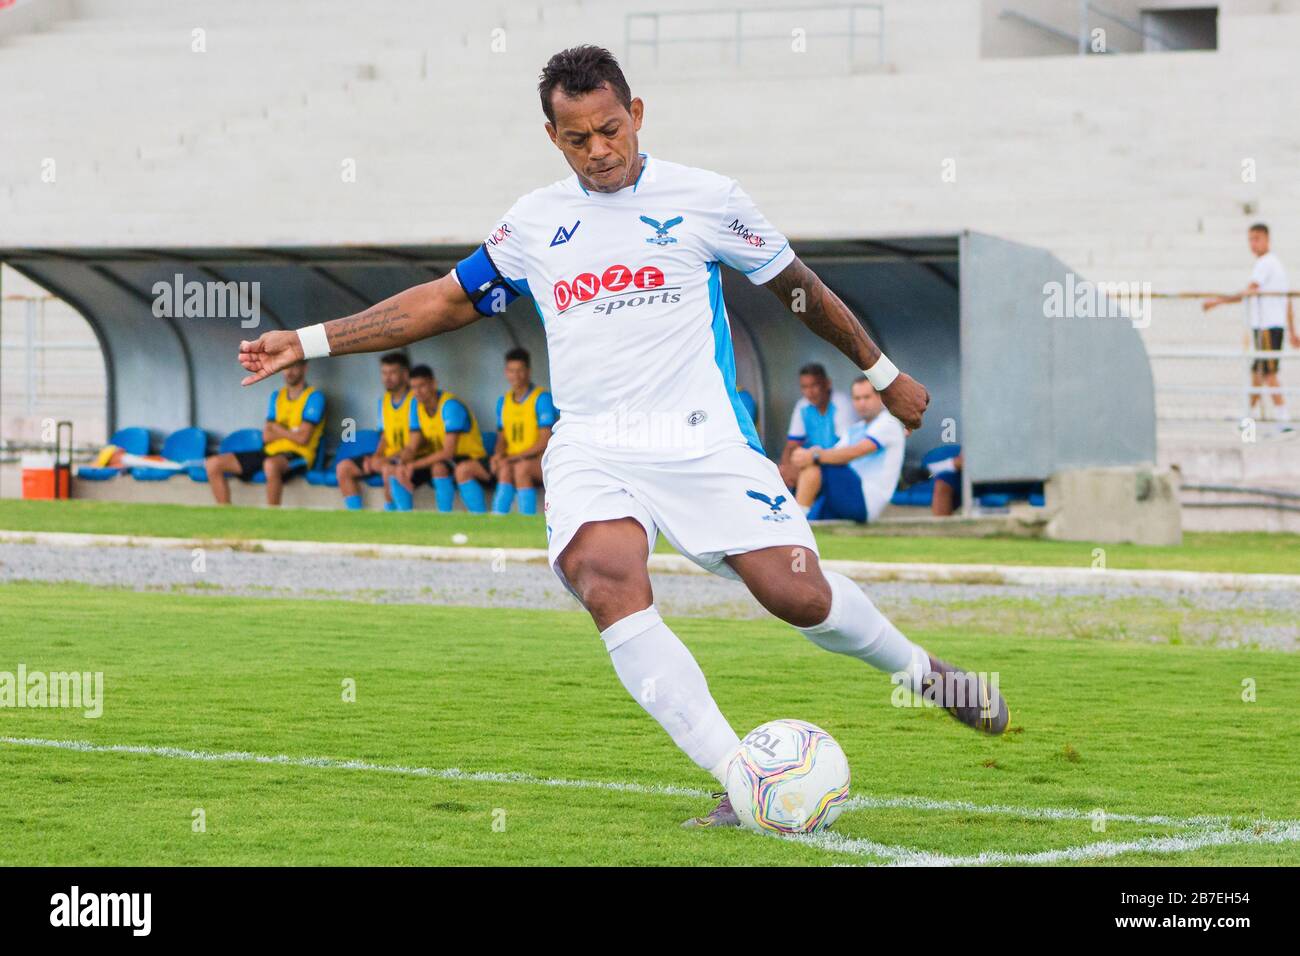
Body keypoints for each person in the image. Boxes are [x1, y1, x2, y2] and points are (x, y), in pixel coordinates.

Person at [237, 45, 1009, 828]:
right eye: (579, 139)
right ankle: (741, 778)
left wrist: (882, 373)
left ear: (636, 115)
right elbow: (446, 301)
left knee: (797, 595)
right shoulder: (534, 221)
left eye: (611, 129)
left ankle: (924, 673)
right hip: (594, 446)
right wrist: (309, 340)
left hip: (705, 440)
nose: (600, 150)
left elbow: (799, 292)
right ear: (553, 137)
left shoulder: (707, 198)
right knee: (604, 577)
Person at [1203, 223, 1298, 424]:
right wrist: (1292, 330)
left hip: (1267, 327)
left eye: (1256, 239)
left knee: (1269, 372)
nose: (1253, 244)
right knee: (1258, 372)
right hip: (1271, 326)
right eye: (1250, 239)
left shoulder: (1265, 263)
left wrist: (1217, 302)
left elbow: (1248, 292)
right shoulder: (1277, 264)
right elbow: (1287, 301)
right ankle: (1247, 415)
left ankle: (1284, 419)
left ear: (1267, 239)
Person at [789, 377, 906, 523]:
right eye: (857, 398)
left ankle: (795, 522)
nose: (862, 403)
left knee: (816, 463)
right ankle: (798, 520)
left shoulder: (888, 422)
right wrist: (808, 455)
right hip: (848, 493)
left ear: (880, 397)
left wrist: (813, 455)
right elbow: (833, 454)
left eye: (866, 397)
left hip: (866, 500)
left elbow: (856, 451)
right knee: (813, 525)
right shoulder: (855, 429)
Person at [205, 364, 324, 506]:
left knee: (270, 465)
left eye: (294, 367)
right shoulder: (277, 396)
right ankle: (225, 513)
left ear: (304, 368)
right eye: (286, 367)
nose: (289, 372)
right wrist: (291, 432)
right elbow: (266, 436)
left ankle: (271, 517)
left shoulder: (314, 397)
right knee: (213, 463)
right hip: (269, 452)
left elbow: (303, 439)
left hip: (299, 454)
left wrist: (278, 429)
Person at [389, 365, 490, 513]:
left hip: (469, 457)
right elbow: (412, 446)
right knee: (395, 473)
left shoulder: (450, 405)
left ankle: (456, 517)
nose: (417, 392)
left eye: (422, 386)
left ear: (434, 384)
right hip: (440, 459)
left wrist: (414, 465)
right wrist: (402, 463)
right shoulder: (416, 406)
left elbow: (448, 452)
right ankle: (405, 520)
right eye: (413, 387)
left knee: (438, 467)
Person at [336, 352, 413, 510]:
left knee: (387, 469)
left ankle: (391, 517)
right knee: (344, 468)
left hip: (409, 457)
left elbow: (416, 442)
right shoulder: (384, 401)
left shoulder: (415, 401)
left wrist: (384, 460)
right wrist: (376, 457)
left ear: (405, 374)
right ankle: (356, 517)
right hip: (389, 456)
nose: (387, 377)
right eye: (384, 373)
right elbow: (384, 435)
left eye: (392, 373)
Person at [490, 347, 556, 515]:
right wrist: (498, 455)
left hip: (541, 461)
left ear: (528, 371)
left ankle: (527, 520)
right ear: (506, 372)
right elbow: (501, 438)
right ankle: (496, 520)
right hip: (514, 460)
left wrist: (511, 458)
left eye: (520, 370)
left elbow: (544, 440)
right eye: (512, 371)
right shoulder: (503, 402)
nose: (516, 375)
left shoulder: (541, 398)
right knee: (505, 469)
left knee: (521, 469)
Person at [778, 363, 854, 489]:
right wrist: (787, 469)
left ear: (827, 384)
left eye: (814, 385)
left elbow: (845, 449)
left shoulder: (841, 403)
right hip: (812, 461)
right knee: (783, 471)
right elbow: (792, 445)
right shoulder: (802, 405)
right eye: (805, 387)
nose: (810, 392)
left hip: (837, 464)